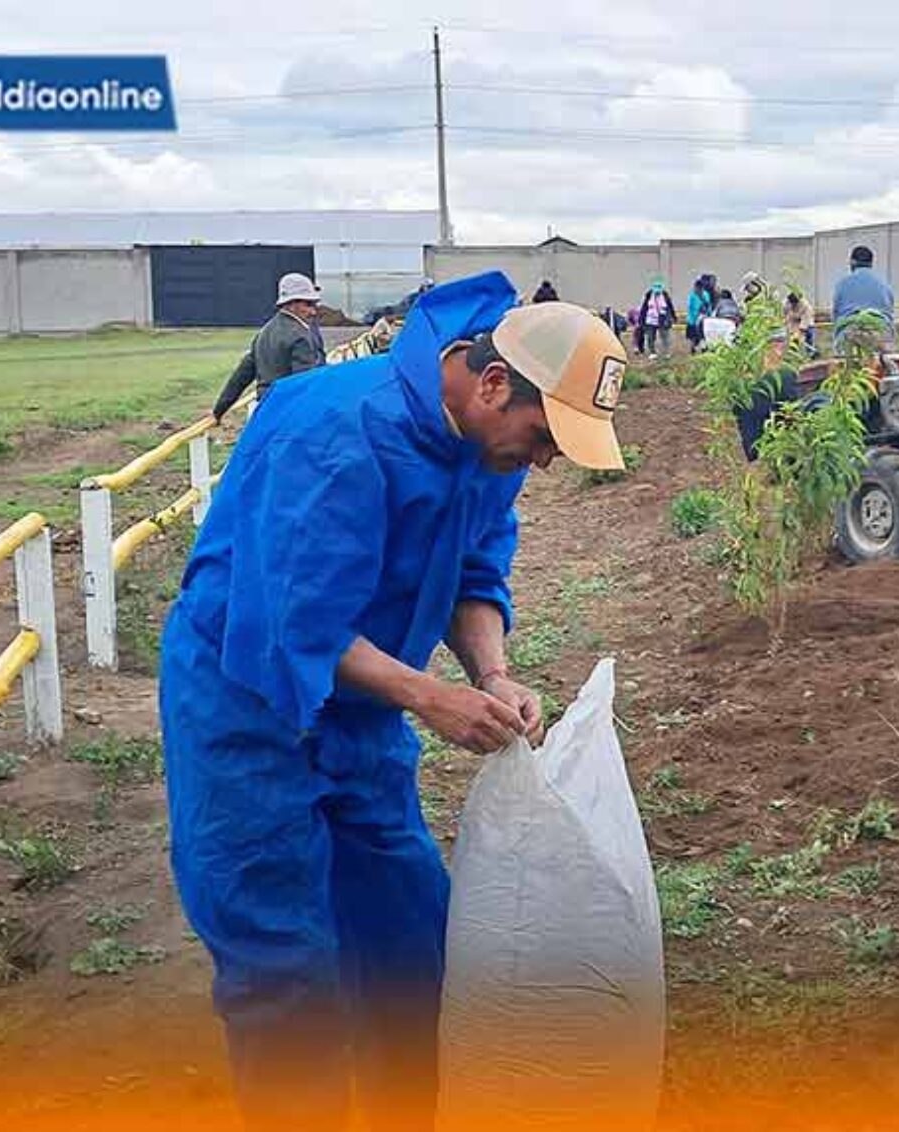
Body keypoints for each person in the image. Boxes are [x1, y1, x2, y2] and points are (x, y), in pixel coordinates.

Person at [160, 272, 630, 1132]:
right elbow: (293, 625)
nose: (544, 460)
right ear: (492, 384)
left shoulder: (486, 448)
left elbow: (474, 571)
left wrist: (489, 674)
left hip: (361, 715)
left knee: (412, 941)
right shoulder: (333, 432)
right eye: (541, 437)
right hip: (248, 708)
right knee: (283, 969)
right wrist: (428, 696)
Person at [211, 273, 328, 421]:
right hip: (291, 416)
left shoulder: (264, 332)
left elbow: (241, 376)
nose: (313, 311)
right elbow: (305, 384)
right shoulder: (300, 336)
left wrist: (219, 410)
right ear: (292, 304)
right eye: (309, 304)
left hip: (265, 411)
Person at [831, 244, 896, 347]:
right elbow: (890, 313)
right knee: (883, 361)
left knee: (846, 360)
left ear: (852, 262)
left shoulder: (842, 284)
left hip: (850, 332)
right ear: (871, 263)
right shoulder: (884, 284)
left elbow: (835, 315)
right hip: (881, 332)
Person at [637, 278, 676, 357]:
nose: (657, 289)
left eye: (659, 286)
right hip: (651, 319)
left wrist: (673, 316)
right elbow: (644, 307)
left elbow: (670, 306)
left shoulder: (665, 295)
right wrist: (641, 319)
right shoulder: (649, 295)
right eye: (655, 286)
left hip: (662, 319)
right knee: (650, 336)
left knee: (665, 336)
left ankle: (666, 352)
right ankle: (652, 352)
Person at [686, 276, 714, 353]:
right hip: (693, 319)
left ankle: (703, 348)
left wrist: (709, 315)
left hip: (704, 318)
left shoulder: (706, 294)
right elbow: (690, 308)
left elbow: (709, 305)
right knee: (693, 337)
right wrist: (692, 319)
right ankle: (693, 348)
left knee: (703, 335)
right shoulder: (692, 295)